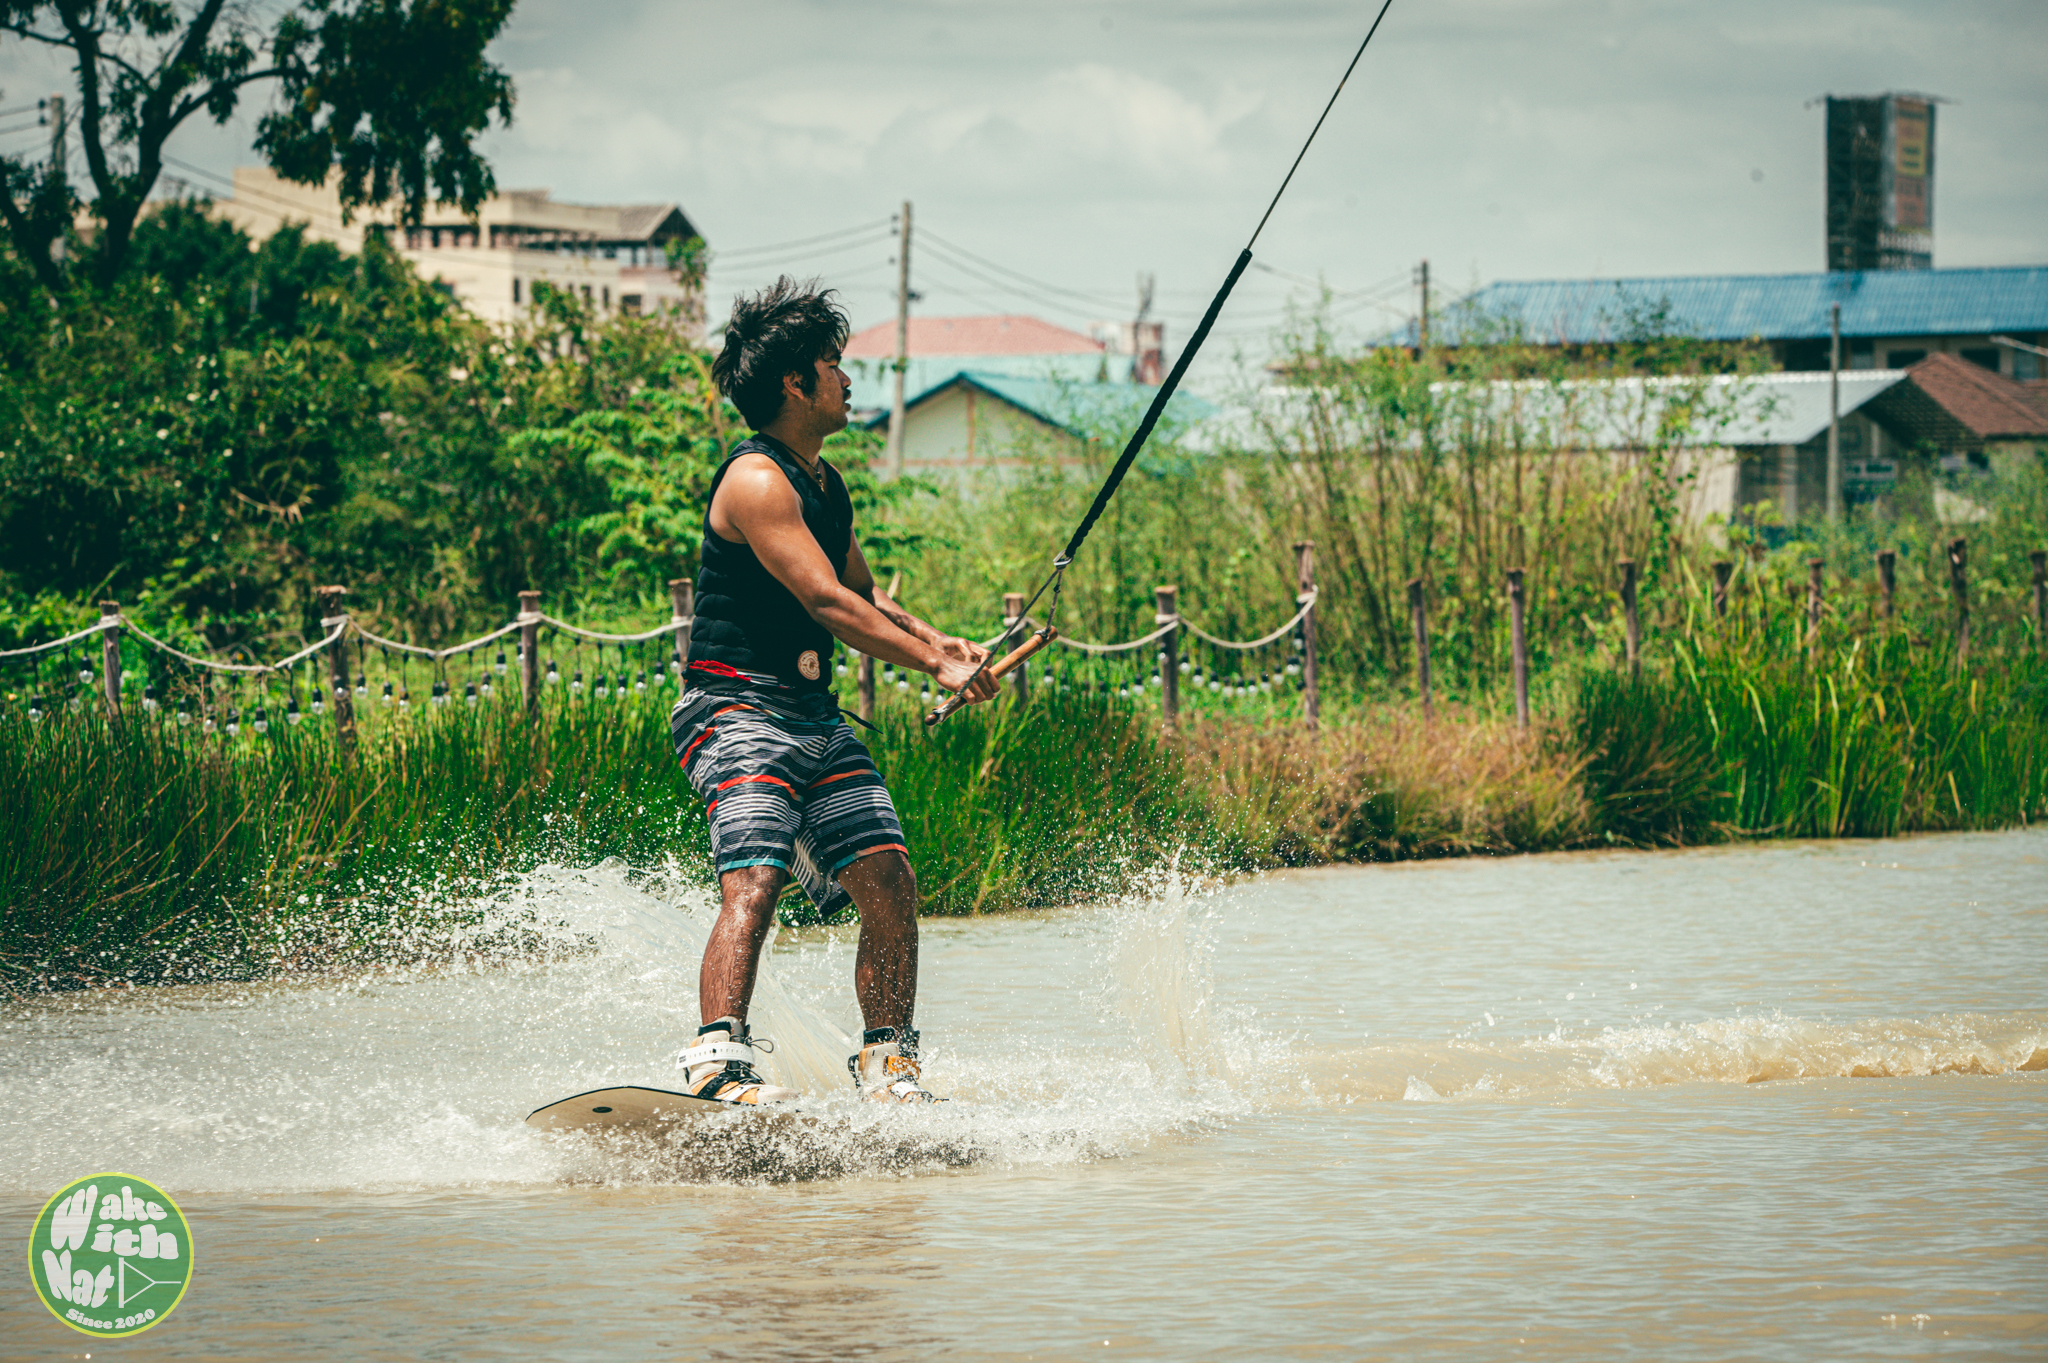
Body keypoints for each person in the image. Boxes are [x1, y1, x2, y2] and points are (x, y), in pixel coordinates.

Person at [670, 277, 998, 1106]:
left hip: (814, 717)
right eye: (833, 365)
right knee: (758, 874)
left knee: (889, 877)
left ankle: (887, 1060)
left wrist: (939, 641)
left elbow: (865, 593)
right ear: (795, 383)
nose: (849, 381)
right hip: (734, 709)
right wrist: (934, 670)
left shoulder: (825, 482)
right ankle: (716, 1059)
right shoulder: (755, 481)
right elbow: (823, 602)